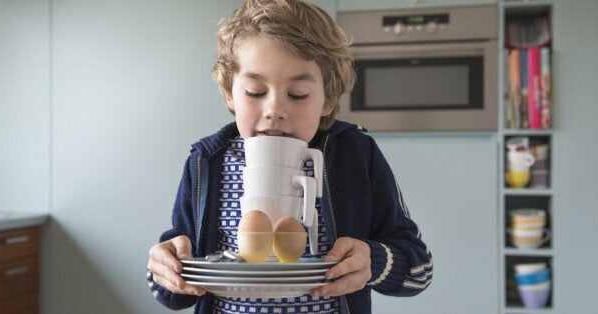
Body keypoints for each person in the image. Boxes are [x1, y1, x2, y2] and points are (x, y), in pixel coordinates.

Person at [146, 0, 433, 313]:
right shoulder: (206, 163)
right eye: (255, 91)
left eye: (298, 94)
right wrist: (165, 271)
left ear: (329, 98)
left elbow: (419, 270)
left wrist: (373, 261)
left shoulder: (355, 154)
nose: (275, 110)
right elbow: (178, 293)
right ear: (230, 92)